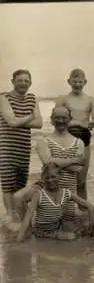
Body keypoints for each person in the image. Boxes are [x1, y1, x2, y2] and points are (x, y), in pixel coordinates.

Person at [0, 69, 43, 223]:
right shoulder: (4, 97)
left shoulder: (32, 98)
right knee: (8, 184)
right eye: (20, 80)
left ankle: (18, 217)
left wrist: (20, 120)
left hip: (24, 148)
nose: (23, 83)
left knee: (20, 184)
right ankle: (10, 215)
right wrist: (30, 116)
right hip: (7, 149)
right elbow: (11, 122)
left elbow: (40, 123)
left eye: (26, 81)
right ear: (13, 81)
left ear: (30, 83)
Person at [17, 163, 94, 242]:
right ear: (42, 178)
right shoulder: (39, 195)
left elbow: (91, 207)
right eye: (47, 178)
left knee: (83, 226)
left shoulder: (66, 193)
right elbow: (27, 218)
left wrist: (91, 229)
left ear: (60, 176)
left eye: (53, 177)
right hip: (42, 232)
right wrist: (19, 239)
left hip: (57, 227)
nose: (50, 180)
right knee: (72, 237)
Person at [55, 68, 94, 200]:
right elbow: (57, 120)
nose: (77, 84)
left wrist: (72, 122)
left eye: (80, 82)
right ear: (69, 81)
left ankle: (83, 211)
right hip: (65, 140)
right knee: (63, 179)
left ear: (85, 82)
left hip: (84, 140)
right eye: (74, 81)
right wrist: (80, 124)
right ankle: (62, 210)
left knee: (81, 180)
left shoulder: (91, 100)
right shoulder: (62, 99)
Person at [36, 106, 85, 195]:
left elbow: (78, 168)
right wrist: (74, 160)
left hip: (70, 195)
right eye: (57, 117)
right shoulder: (43, 141)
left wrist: (54, 162)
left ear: (70, 119)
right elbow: (48, 162)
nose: (60, 121)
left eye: (64, 117)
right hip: (48, 195)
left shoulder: (79, 142)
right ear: (51, 119)